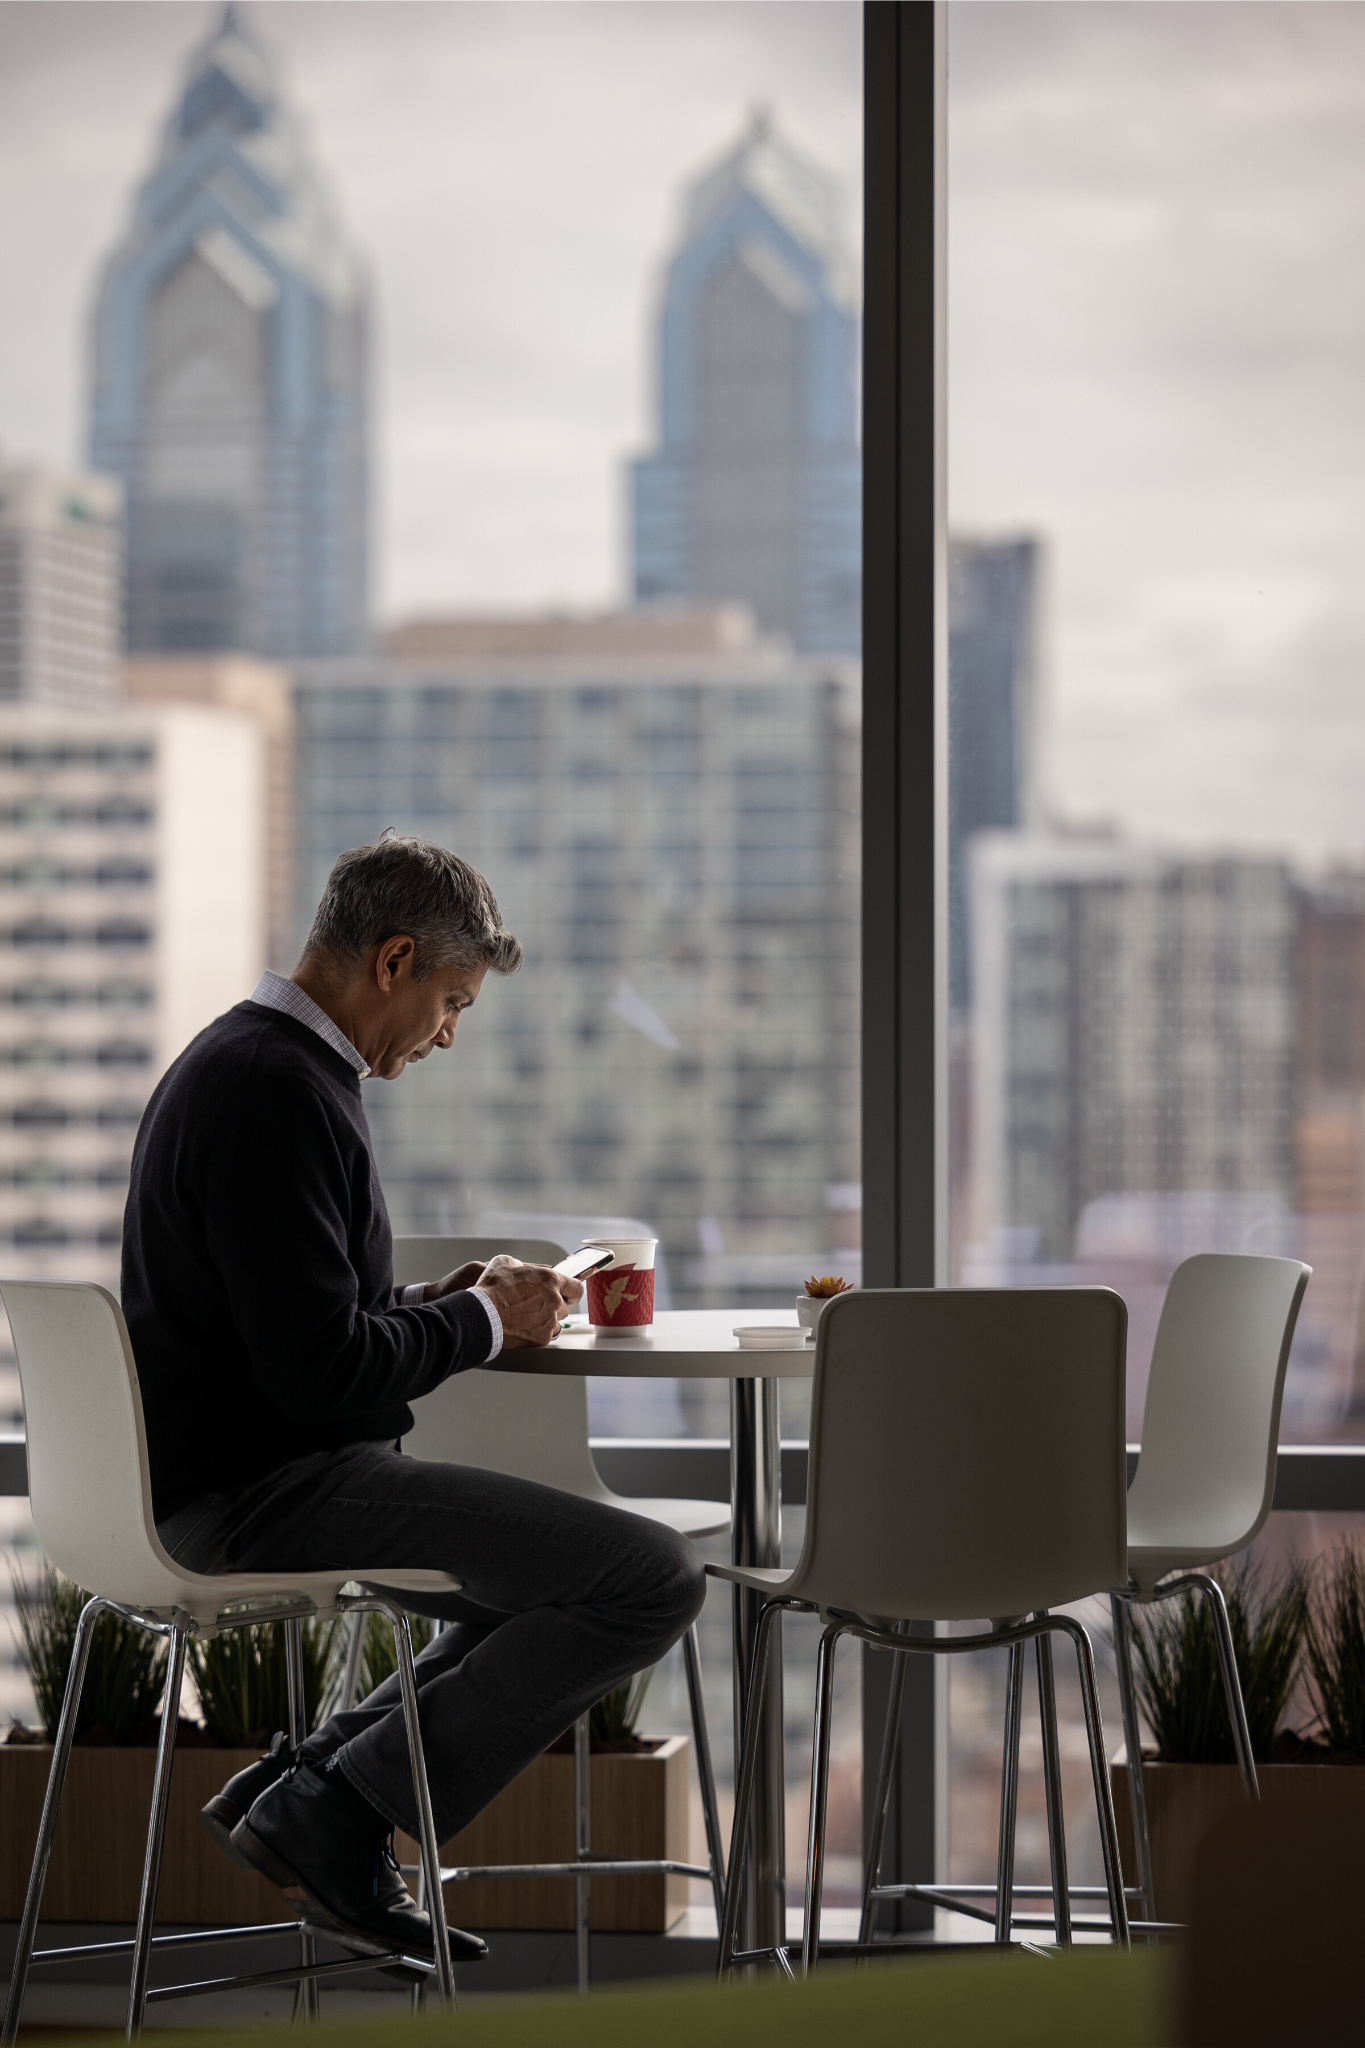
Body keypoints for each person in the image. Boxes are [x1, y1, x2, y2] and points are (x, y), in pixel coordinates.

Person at [121, 833, 706, 1963]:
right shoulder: (275, 1091)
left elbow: (297, 1319)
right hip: (266, 1491)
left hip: (246, 1471)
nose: (447, 1033)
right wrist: (488, 1321)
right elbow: (318, 1373)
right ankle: (340, 1806)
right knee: (650, 1579)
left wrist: (439, 1297)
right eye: (451, 1000)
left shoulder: (251, 1064)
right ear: (391, 961)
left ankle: (314, 1782)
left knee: (542, 1579)